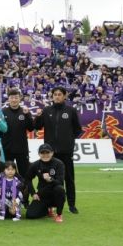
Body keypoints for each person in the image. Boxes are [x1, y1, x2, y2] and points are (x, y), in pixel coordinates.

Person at [33, 86, 82, 214]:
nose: (57, 96)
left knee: (69, 178)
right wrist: (38, 117)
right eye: (55, 94)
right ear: (52, 96)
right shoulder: (47, 110)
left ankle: (72, 205)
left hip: (66, 152)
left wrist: (68, 141)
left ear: (65, 96)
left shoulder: (70, 110)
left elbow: (78, 130)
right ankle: (49, 205)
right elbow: (37, 127)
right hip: (49, 154)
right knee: (47, 179)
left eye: (60, 94)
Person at [25, 144, 66, 223]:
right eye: (42, 153)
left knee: (60, 189)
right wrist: (33, 193)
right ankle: (47, 209)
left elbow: (60, 181)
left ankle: (59, 214)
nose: (45, 155)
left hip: (55, 193)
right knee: (30, 215)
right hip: (42, 194)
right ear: (39, 154)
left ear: (52, 153)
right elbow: (28, 179)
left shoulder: (59, 164)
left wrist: (50, 179)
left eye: (47, 152)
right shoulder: (35, 165)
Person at [1, 88, 34, 180]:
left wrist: (27, 116)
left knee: (25, 175)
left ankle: (24, 194)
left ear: (20, 99)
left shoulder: (25, 111)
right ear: (8, 99)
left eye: (16, 97)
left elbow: (31, 128)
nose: (14, 100)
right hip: (7, 149)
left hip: (22, 149)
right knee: (7, 175)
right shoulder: (3, 112)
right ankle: (8, 194)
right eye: (11, 97)